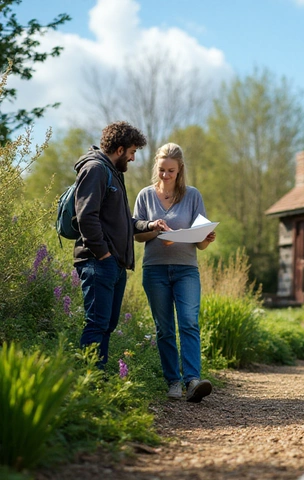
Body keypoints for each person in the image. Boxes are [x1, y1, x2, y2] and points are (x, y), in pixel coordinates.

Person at [74, 121, 168, 370]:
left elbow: (123, 222)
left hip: (113, 264)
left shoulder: (113, 174)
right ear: (119, 149)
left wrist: (149, 226)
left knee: (107, 325)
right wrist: (103, 254)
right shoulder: (95, 169)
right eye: (132, 152)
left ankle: (99, 381)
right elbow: (86, 217)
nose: (134, 158)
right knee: (97, 323)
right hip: (98, 262)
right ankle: (90, 383)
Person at [133, 143, 216, 403]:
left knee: (189, 322)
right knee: (164, 328)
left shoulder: (192, 196)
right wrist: (155, 228)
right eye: (162, 170)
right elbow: (137, 234)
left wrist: (206, 239)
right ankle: (173, 382)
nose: (166, 175)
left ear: (180, 170)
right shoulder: (145, 196)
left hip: (186, 270)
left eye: (171, 170)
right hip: (155, 269)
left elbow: (199, 243)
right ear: (156, 167)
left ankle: (192, 380)